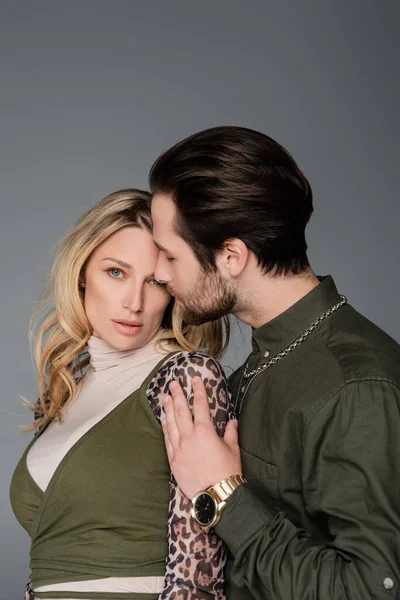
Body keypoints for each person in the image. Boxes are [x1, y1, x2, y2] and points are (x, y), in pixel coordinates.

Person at [149, 126, 400, 600]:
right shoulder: (257, 368)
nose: (159, 274)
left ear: (231, 255)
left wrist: (224, 495)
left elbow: (374, 589)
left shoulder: (356, 386)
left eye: (169, 254)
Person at [10, 189, 230, 600]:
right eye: (116, 272)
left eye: (155, 282)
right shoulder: (67, 391)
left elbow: (198, 572)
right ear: (81, 274)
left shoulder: (184, 377)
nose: (134, 302)